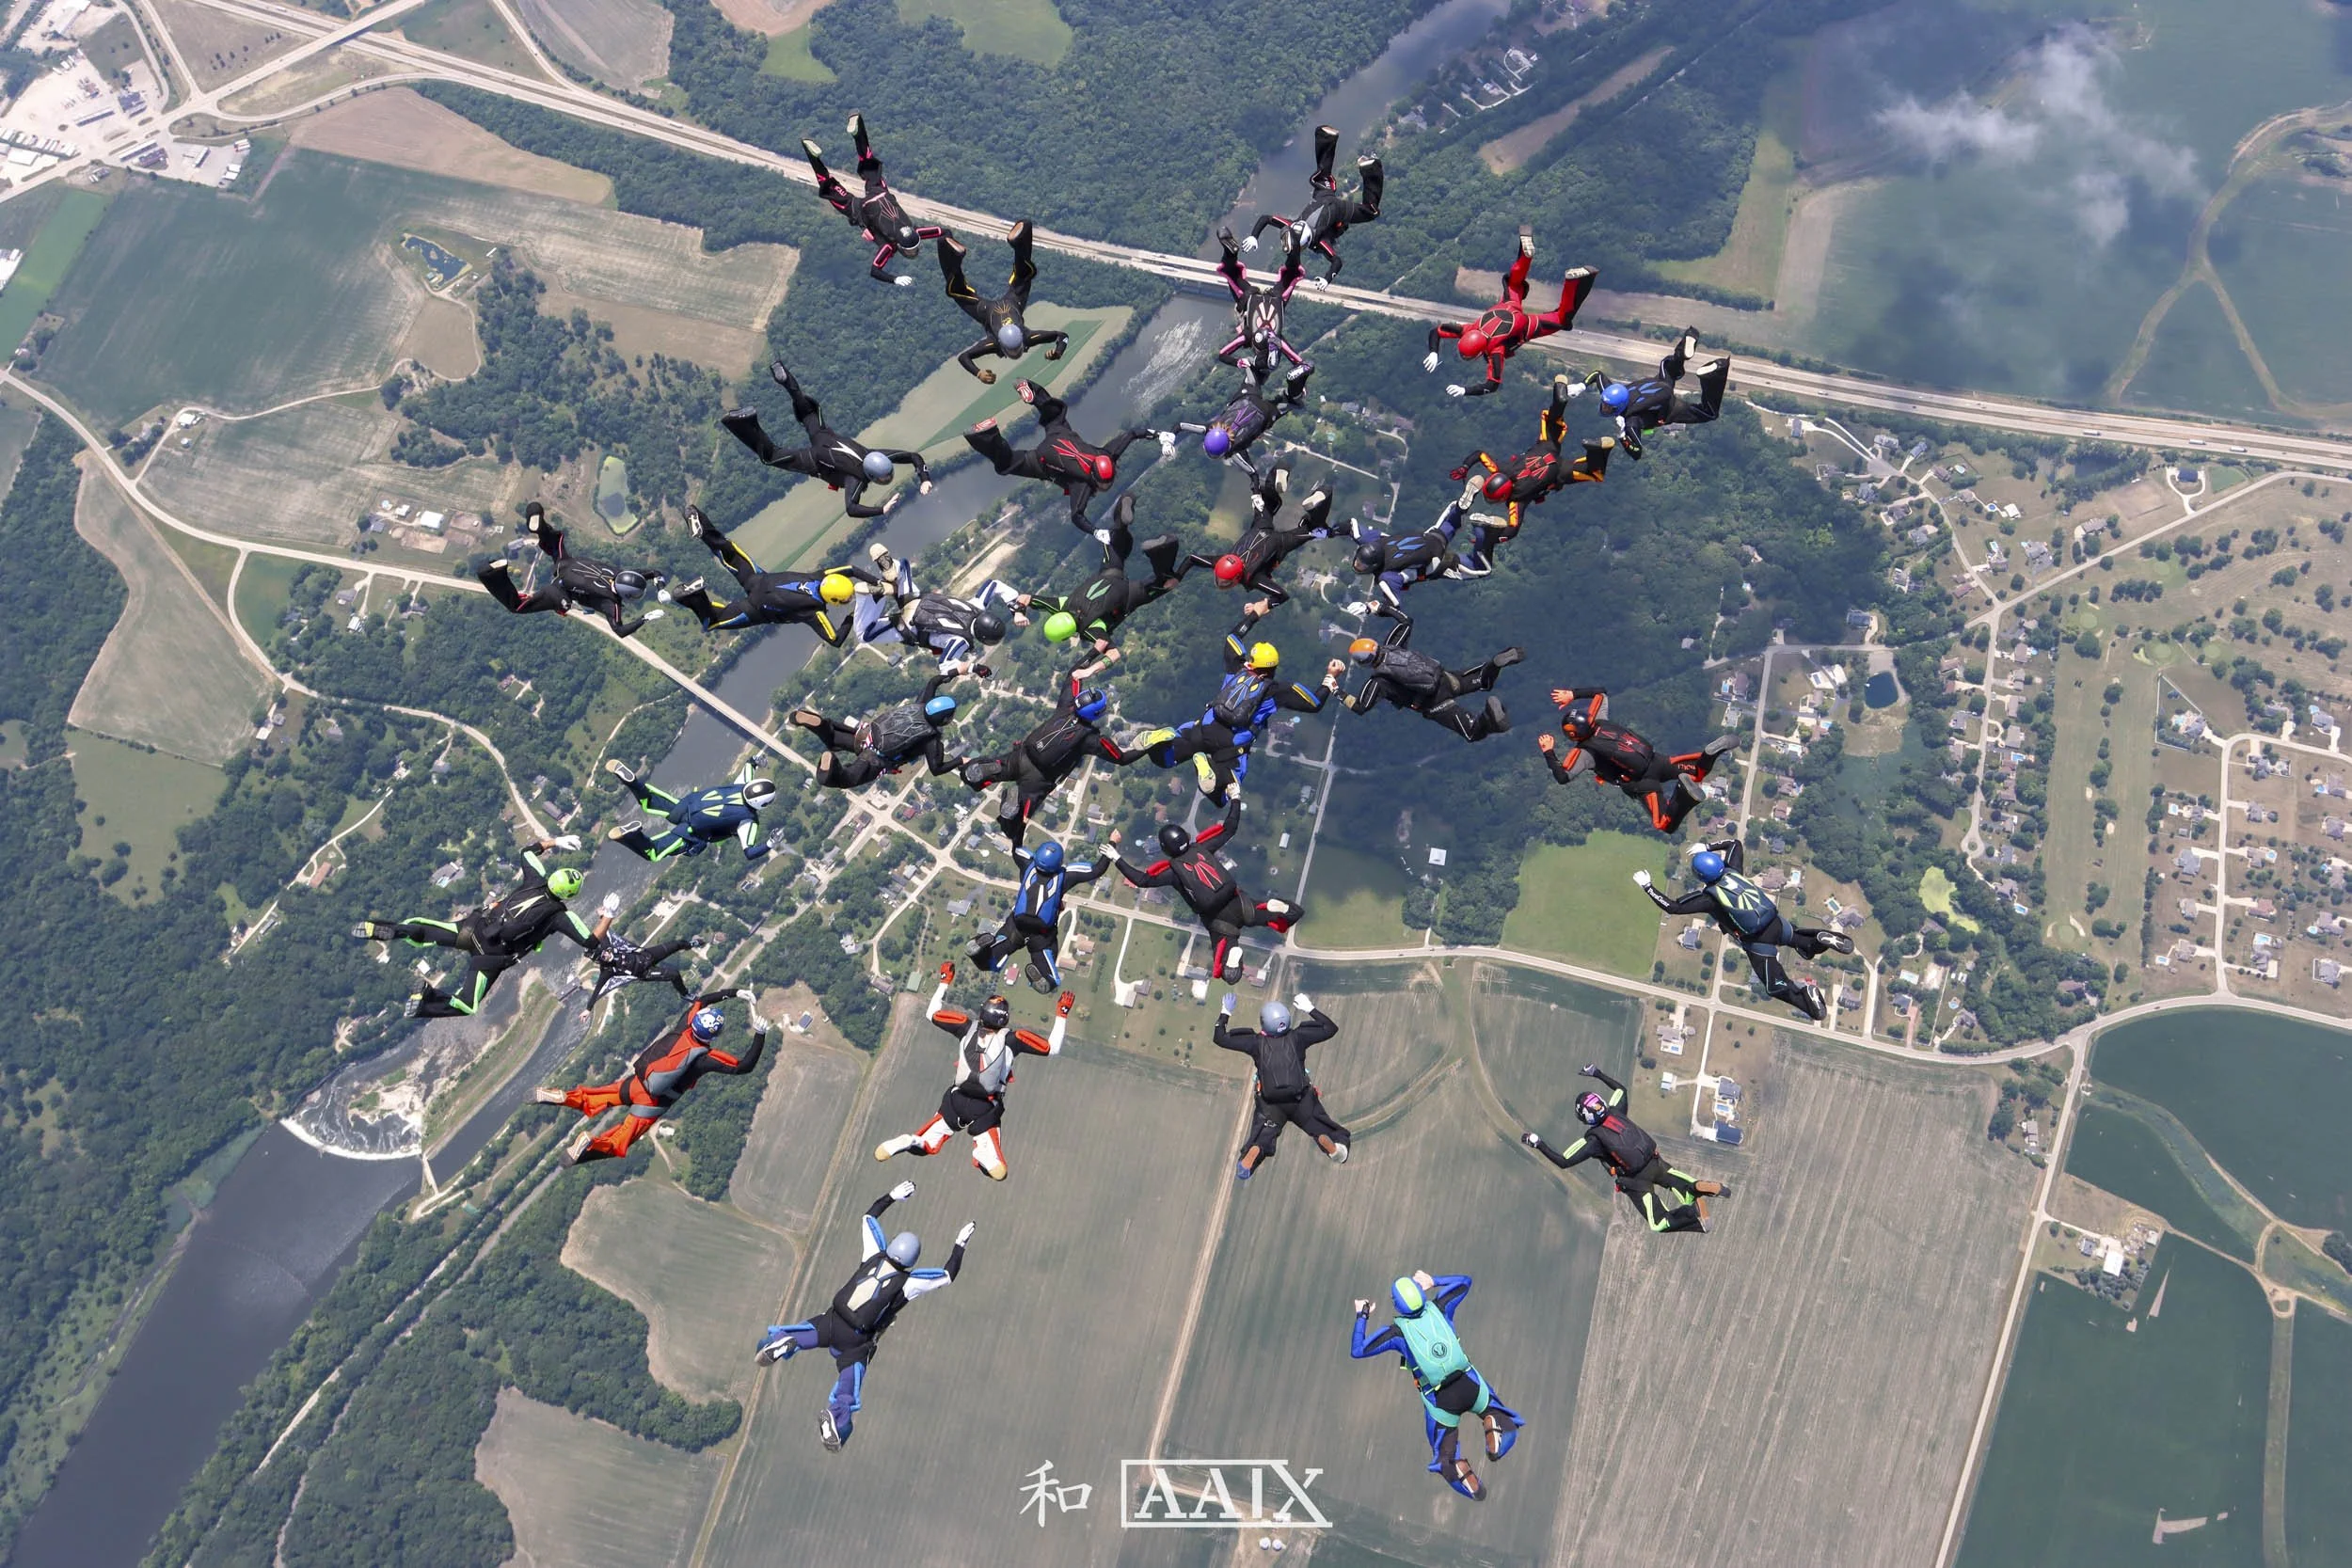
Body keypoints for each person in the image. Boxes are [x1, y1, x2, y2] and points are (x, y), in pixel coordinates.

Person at [755, 1181, 972, 1452]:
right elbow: (948, 1274)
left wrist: (893, 1196)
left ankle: (781, 1341)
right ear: (912, 1261)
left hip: (832, 1320)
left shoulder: (873, 1254)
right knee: (848, 1389)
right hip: (856, 1342)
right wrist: (960, 1244)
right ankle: (836, 1419)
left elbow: (869, 1216)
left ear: (891, 1246)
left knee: (796, 1335)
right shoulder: (909, 1282)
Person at [353, 837, 592, 1019]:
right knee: (467, 1004)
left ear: (553, 878)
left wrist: (556, 841)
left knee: (426, 931)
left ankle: (395, 930)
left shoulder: (536, 878)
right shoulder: (561, 916)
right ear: (569, 895)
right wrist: (607, 917)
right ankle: (426, 999)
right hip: (492, 955)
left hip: (475, 927)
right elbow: (589, 940)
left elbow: (528, 851)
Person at [875, 963, 1073, 1179]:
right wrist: (1062, 1014)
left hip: (955, 1099)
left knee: (929, 1144)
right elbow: (1052, 1049)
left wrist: (944, 982)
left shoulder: (964, 1026)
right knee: (998, 1168)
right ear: (1004, 1019)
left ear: (982, 1013)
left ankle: (913, 1140)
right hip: (985, 1106)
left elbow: (931, 1014)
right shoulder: (1013, 1040)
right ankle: (983, 1154)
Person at [535, 988, 766, 1164]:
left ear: (695, 1021)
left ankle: (563, 1096)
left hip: (638, 1081)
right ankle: (589, 1142)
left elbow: (701, 1000)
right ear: (714, 1036)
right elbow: (744, 1066)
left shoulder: (683, 1026)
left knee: (594, 1097)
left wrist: (734, 993)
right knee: (619, 1143)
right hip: (654, 1101)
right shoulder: (705, 1058)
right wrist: (760, 1034)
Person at [1635, 839, 1854, 1020]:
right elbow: (1735, 844)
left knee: (1776, 986)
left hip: (1758, 942)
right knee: (1801, 942)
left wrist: (1648, 887)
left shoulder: (1709, 898)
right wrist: (1707, 847)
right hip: (1777, 923)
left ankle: (1806, 998)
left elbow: (1672, 907)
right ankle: (1819, 938)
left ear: (1700, 876)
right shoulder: (1733, 870)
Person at [1349, 1273, 1522, 1501]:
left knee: (1444, 1459)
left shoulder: (1397, 1333)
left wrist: (1362, 1314)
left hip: (1440, 1402)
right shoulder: (1441, 1307)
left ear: (1396, 1305)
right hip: (1469, 1384)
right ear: (1421, 1293)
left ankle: (1468, 1480)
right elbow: (1465, 1283)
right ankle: (1494, 1428)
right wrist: (1434, 1281)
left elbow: (1358, 1350)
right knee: (1504, 1419)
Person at [1136, 610, 1340, 802]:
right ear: (1273, 668)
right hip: (1231, 744)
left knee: (1165, 759)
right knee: (1223, 797)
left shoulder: (1237, 668)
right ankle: (1207, 769)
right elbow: (1315, 703)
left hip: (1202, 728)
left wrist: (1255, 614)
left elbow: (1232, 637)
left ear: (1252, 661)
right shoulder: (1277, 690)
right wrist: (1330, 678)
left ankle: (1165, 737)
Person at [1521, 1065, 1728, 1233]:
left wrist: (1537, 1143)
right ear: (1601, 1103)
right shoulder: (1616, 1110)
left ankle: (1693, 1214)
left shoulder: (1594, 1140)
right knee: (1683, 1187)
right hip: (1655, 1161)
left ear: (1585, 1118)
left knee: (1658, 1222)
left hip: (1636, 1180)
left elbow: (1563, 1161)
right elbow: (1621, 1090)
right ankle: (1698, 1187)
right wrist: (1597, 1073)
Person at [1115, 800, 1301, 981]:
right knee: (1291, 914)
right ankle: (1281, 910)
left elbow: (1141, 879)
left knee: (1227, 972)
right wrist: (1235, 799)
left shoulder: (1172, 871)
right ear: (1185, 837)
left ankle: (1233, 959)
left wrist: (1115, 857)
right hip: (1239, 903)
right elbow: (1230, 828)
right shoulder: (1202, 847)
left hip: (1219, 921)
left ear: (1166, 849)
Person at [721, 362, 932, 520]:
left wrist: (924, 478)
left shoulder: (873, 454)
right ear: (870, 474)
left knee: (807, 412)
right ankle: (746, 422)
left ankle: (786, 379)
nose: (885, 479)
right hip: (814, 459)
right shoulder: (856, 479)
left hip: (826, 436)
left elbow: (913, 456)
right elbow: (852, 509)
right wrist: (881, 510)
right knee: (770, 457)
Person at [960, 671, 1145, 847]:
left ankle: (990, 767)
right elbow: (1122, 758)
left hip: (1022, 755)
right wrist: (1150, 746)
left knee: (983, 772)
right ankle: (1012, 804)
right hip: (1039, 780)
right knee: (1014, 824)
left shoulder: (1067, 705)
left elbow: (1073, 675)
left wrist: (1094, 656)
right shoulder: (1091, 739)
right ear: (1097, 714)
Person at [1448, 377, 1613, 572]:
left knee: (1594, 473)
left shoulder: (1517, 500)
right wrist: (1464, 467)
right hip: (1545, 450)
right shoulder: (1501, 470)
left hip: (1558, 472)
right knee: (1552, 421)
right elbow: (1479, 454)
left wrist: (1490, 539)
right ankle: (1560, 395)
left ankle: (1598, 451)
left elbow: (1512, 530)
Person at [664, 504, 890, 643]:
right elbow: (835, 639)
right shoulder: (815, 612)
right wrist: (853, 617)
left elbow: (851, 570)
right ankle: (691, 596)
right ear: (833, 599)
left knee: (726, 549)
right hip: (755, 609)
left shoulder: (819, 577)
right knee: (712, 622)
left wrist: (876, 581)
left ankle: (697, 518)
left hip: (758, 578)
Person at [1422, 228, 1597, 398]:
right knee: (1514, 283)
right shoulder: (1467, 329)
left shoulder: (1495, 351)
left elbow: (1492, 385)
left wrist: (1465, 390)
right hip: (1507, 307)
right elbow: (1436, 332)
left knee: (1562, 318)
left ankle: (1573, 283)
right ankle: (1525, 254)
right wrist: (1433, 352)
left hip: (1525, 326)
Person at [964, 378, 1157, 533]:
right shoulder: (1081, 486)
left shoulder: (1106, 455)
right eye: (1104, 484)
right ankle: (986, 434)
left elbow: (1132, 434)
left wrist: (1158, 435)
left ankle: (1031, 392)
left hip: (1061, 437)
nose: (1106, 487)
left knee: (1054, 414)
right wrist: (1096, 532)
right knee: (1007, 464)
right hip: (1042, 462)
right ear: (1094, 478)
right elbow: (1077, 517)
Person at [1538, 688, 1737, 833]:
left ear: (1573, 735)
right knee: (1698, 772)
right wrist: (1573, 694)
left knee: (1665, 825)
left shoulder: (1584, 752)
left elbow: (1563, 776)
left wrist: (1549, 751)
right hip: (1656, 760)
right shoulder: (1599, 718)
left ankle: (1685, 797)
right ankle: (1708, 755)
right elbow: (1601, 693)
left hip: (1641, 782)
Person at [1020, 493, 1190, 661]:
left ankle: (1162, 548)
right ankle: (1122, 520)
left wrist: (1089, 666)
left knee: (1165, 582)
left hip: (1128, 595)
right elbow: (1024, 598)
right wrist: (1019, 614)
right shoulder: (1060, 606)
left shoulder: (1089, 631)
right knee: (1113, 540)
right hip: (1108, 574)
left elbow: (1114, 654)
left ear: (1066, 636)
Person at [802, 113, 950, 283]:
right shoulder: (889, 247)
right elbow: (875, 270)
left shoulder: (918, 232)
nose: (912, 251)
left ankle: (858, 131)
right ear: (901, 247)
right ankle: (812, 155)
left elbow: (944, 232)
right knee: (828, 186)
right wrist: (894, 279)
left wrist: (950, 248)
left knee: (868, 159)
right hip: (860, 210)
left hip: (880, 193)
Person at [479, 502, 665, 639]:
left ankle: (537, 518)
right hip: (559, 592)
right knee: (517, 606)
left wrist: (660, 586)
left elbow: (653, 572)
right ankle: (489, 573)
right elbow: (620, 631)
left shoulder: (619, 573)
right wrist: (645, 618)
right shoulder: (611, 604)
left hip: (566, 564)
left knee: (554, 543)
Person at [1216, 993, 1347, 1180]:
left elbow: (1220, 1038)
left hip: (1270, 1106)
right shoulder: (1299, 1037)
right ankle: (1334, 1148)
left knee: (1263, 1136)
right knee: (1323, 1128)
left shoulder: (1255, 1042)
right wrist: (1310, 1008)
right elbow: (1330, 1028)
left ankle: (1254, 1151)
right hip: (1301, 1101)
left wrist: (1225, 1011)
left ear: (1264, 1025)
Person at [965, 838, 1112, 990]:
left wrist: (1021, 822)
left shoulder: (1027, 864)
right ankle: (1041, 975)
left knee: (990, 963)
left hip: (1016, 926)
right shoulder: (1065, 876)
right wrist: (1112, 843)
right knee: (1051, 982)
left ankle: (979, 947)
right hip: (1041, 936)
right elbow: (1097, 870)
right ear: (1058, 863)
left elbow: (1016, 847)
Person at [1245, 124, 1382, 282]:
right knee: (1323, 175)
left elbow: (1336, 261)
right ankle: (1326, 137)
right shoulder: (1293, 224)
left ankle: (1371, 167)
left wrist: (1327, 278)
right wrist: (1254, 236)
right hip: (1322, 196)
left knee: (1370, 212)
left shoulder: (1319, 241)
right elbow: (1266, 218)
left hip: (1339, 209)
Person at [860, 543, 1021, 676]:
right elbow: (945, 666)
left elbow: (994, 585)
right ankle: (869, 597)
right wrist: (975, 668)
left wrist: (1015, 608)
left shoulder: (977, 606)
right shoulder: (961, 641)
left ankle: (897, 568)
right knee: (864, 635)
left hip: (917, 600)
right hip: (910, 625)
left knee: (903, 572)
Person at [1185, 465, 1335, 608]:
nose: (1221, 582)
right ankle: (1280, 471)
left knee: (1314, 528)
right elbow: (1192, 558)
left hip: (1279, 544)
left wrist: (1264, 605)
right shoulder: (1221, 560)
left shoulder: (1252, 579)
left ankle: (1322, 494)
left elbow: (1282, 595)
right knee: (1267, 501)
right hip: (1260, 528)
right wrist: (1176, 576)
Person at [1341, 624, 1518, 742]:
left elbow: (1360, 707)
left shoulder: (1378, 682)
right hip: (1444, 678)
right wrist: (1378, 608)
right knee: (1482, 682)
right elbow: (1406, 622)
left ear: (1364, 663)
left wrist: (1336, 691)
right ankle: (1493, 665)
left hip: (1434, 703)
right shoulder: (1393, 646)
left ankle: (1489, 717)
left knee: (1472, 732)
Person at [939, 220, 1067, 383]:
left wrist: (1059, 352)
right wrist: (978, 373)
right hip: (990, 311)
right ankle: (946, 245)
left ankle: (1022, 232)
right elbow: (964, 357)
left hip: (1010, 304)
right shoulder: (1001, 342)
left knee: (1023, 277)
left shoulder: (1027, 338)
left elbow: (1063, 337)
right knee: (957, 292)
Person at [792, 671, 965, 789]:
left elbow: (933, 682)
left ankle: (820, 724)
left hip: (866, 734)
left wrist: (960, 670)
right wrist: (960, 761)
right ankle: (828, 773)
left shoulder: (920, 705)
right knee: (846, 779)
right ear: (944, 720)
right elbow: (936, 769)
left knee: (833, 739)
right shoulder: (931, 740)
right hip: (876, 758)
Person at [1586, 328, 1729, 459]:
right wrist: (1580, 386)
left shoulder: (1631, 422)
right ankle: (1685, 346)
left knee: (1710, 413)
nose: (1605, 408)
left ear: (1619, 406)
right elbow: (1597, 375)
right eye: (1605, 405)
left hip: (1670, 409)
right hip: (1659, 385)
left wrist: (1623, 436)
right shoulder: (1614, 393)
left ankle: (1717, 373)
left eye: (1608, 407)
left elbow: (1636, 452)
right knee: (1669, 367)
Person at [603, 758, 777, 863]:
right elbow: (750, 852)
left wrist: (756, 760)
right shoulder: (748, 821)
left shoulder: (742, 784)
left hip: (686, 805)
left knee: (650, 801)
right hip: (691, 831)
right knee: (653, 853)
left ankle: (633, 782)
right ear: (761, 804)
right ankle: (633, 835)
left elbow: (749, 765)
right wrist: (770, 843)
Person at [1345, 486, 1471, 622]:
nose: (1357, 564)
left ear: (1373, 565)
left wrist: (1368, 608)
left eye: (1361, 564)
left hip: (1434, 564)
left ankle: (1487, 534)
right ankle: (1459, 510)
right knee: (1450, 526)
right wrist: (1325, 532)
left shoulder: (1386, 577)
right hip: (1429, 539)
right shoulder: (1374, 543)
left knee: (1480, 569)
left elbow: (1395, 605)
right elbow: (1351, 525)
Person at [578, 892, 706, 1021]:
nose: (605, 955)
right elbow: (597, 991)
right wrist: (588, 1009)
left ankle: (691, 944)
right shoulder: (607, 971)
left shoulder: (606, 946)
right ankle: (685, 994)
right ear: (599, 961)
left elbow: (604, 931)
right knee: (674, 974)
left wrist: (603, 915)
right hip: (645, 972)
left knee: (677, 944)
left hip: (647, 955)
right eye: (603, 957)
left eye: (605, 952)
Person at [1172, 361, 1312, 475]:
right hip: (1247, 397)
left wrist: (1256, 494)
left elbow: (1252, 472)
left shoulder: (1235, 448)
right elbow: (1180, 426)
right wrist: (1170, 438)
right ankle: (1264, 353)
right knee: (1256, 373)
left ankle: (1297, 381)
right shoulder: (1210, 428)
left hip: (1265, 414)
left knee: (1291, 401)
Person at [1214, 225, 1309, 373]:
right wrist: (1238, 362)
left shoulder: (1278, 340)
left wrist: (1300, 375)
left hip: (1275, 299)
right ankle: (1229, 253)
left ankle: (1293, 251)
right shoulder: (1247, 336)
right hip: (1250, 298)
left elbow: (1300, 362)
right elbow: (1222, 354)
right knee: (1232, 274)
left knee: (1291, 274)